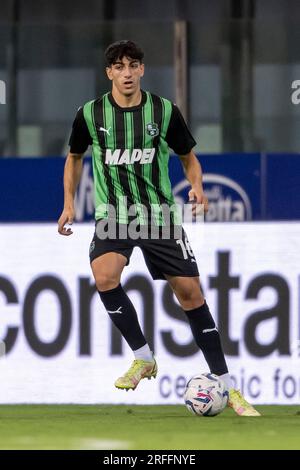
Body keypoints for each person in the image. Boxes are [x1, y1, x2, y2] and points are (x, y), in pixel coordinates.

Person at [58, 40, 260, 417]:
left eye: (134, 65)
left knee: (190, 295)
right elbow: (74, 159)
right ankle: (143, 358)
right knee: (104, 275)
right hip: (115, 213)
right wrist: (70, 203)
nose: (128, 73)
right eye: (119, 67)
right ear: (109, 73)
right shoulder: (90, 114)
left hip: (159, 215)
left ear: (143, 69)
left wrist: (196, 185)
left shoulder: (164, 111)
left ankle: (228, 386)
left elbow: (188, 158)